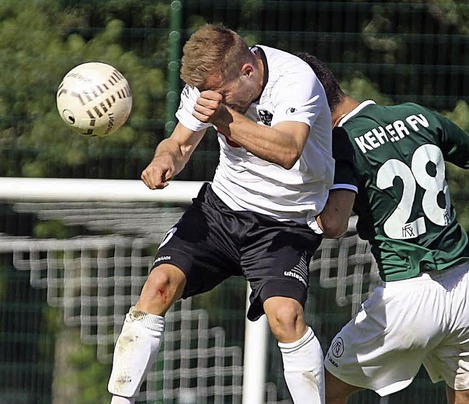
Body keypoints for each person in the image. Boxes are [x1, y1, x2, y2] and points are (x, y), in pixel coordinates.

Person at [298, 52, 469, 404]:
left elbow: (335, 224)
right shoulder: (416, 115)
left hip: (408, 294)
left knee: (319, 392)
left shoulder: (342, 143)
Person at [108, 25, 334, 404]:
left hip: (284, 223)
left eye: (222, 92)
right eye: (207, 94)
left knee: (285, 317)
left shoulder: (296, 79)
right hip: (221, 209)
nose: (213, 100)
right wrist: (164, 159)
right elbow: (179, 143)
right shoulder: (210, 88)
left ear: (248, 71)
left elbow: (287, 150)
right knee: (158, 285)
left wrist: (224, 117)